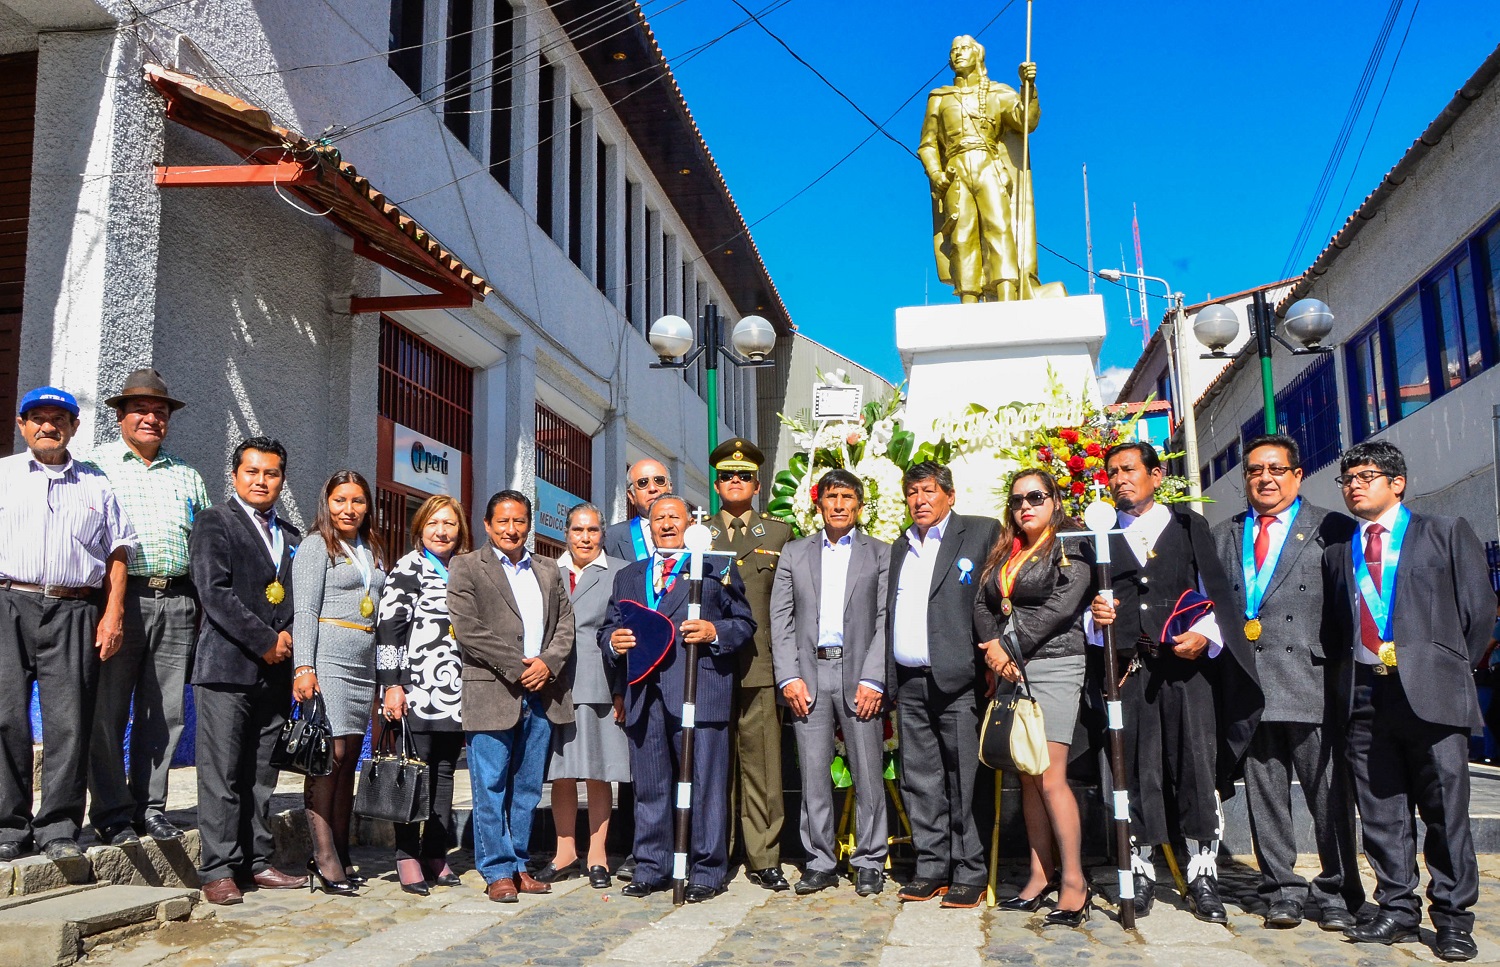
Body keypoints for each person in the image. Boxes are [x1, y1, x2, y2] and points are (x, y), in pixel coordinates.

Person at [1325, 441, 1491, 961]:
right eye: (1348, 478)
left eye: (1366, 475)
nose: (1355, 485)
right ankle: (1396, 908)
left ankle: (1452, 918)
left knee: (1445, 812)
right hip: (1365, 694)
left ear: (1397, 483)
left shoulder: (1444, 532)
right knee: (1381, 812)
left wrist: (1442, 664)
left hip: (1432, 694)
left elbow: (1479, 612)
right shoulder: (1339, 552)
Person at [1088, 442, 1261, 923]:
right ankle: (1140, 871)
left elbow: (1217, 595)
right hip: (1130, 673)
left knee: (1195, 767)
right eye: (1112, 473)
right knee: (1136, 769)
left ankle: (1203, 874)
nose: (1120, 479)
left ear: (1156, 475)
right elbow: (1088, 610)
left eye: (1129, 469)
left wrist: (1205, 637)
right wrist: (1094, 617)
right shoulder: (1097, 538)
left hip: (1189, 675)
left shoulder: (1188, 526)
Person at [1210, 435, 1363, 931]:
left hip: (1312, 678)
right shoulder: (1226, 534)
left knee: (1328, 794)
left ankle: (1339, 890)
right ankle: (1281, 888)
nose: (1265, 479)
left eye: (1276, 469)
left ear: (1297, 475)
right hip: (1251, 683)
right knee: (1265, 792)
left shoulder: (1332, 528)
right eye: (1255, 471)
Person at [0, 386, 135, 863]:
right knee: (6, 717)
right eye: (37, 417)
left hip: (75, 609)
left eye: (59, 418)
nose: (47, 426)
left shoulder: (96, 484)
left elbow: (118, 552)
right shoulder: (3, 476)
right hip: (9, 602)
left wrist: (113, 613)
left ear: (74, 427)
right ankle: (8, 825)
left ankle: (58, 825)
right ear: (22, 426)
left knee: (69, 722)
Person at [602, 494, 754, 902]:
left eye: (675, 517)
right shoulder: (629, 576)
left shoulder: (716, 567)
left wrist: (714, 631)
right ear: (648, 525)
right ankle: (652, 864)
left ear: (692, 524)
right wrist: (613, 642)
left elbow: (744, 623)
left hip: (698, 689)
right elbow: (610, 627)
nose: (667, 524)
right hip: (644, 693)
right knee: (650, 785)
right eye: (659, 518)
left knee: (704, 784)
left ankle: (706, 869)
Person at [87, 368, 210, 847]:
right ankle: (113, 811)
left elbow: (202, 545)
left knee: (165, 713)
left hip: (176, 600)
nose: (151, 419)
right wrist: (107, 608)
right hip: (119, 600)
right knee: (108, 710)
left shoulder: (187, 474)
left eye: (159, 412)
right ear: (120, 416)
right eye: (140, 410)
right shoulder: (95, 467)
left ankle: (151, 806)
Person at [189, 436, 306, 904]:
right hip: (227, 668)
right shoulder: (214, 522)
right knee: (221, 774)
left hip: (276, 673)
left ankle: (257, 861)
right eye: (252, 471)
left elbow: (301, 599)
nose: (262, 481)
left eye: (271, 473)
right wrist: (265, 641)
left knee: (261, 773)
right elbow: (214, 592)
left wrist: (291, 644)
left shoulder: (292, 536)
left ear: (282, 478)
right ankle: (217, 868)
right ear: (235, 475)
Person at [974, 469, 1092, 926]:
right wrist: (993, 652)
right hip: (1009, 667)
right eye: (1018, 499)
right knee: (1025, 774)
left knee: (1049, 775)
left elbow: (1062, 605)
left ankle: (1075, 883)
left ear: (1055, 500)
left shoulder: (1071, 542)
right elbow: (983, 605)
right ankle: (1040, 877)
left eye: (1036, 497)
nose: (1026, 505)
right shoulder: (1006, 548)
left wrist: (1010, 645)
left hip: (1055, 664)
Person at [448, 490, 575, 903]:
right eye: (502, 521)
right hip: (492, 692)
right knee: (490, 784)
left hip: (542, 692)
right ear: (487, 525)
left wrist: (547, 664)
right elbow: (468, 630)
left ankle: (520, 864)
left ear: (529, 524)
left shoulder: (548, 569)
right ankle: (497, 870)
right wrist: (522, 667)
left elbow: (566, 625)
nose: (511, 529)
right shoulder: (466, 566)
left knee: (526, 788)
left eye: (519, 521)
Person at [769, 468, 890, 897]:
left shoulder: (880, 553)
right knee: (814, 775)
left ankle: (870, 859)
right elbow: (779, 621)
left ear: (859, 505)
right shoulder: (794, 553)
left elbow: (884, 621)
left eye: (847, 498)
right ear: (818, 504)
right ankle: (819, 860)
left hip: (860, 674)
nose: (839, 505)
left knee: (867, 772)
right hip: (809, 674)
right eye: (831, 498)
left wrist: (875, 678)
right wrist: (788, 677)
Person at [886, 461, 1000, 908]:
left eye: (928, 491)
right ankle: (931, 866)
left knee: (964, 779)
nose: (920, 500)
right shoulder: (900, 546)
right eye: (912, 492)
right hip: (910, 682)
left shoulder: (979, 531)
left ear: (950, 495)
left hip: (959, 679)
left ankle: (969, 870)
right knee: (920, 778)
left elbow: (994, 597)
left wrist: (993, 656)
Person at [291, 471, 388, 895]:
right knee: (330, 754)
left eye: (358, 501)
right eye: (341, 500)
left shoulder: (371, 548)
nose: (349, 509)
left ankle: (342, 849)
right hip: (327, 656)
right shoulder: (316, 545)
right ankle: (323, 856)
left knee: (350, 758)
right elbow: (305, 610)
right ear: (326, 503)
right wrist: (303, 667)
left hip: (363, 661)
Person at [707, 439, 792, 892]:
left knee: (763, 766)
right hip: (709, 668)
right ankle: (714, 852)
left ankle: (764, 855)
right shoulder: (699, 534)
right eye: (726, 476)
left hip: (761, 665)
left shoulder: (778, 535)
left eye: (742, 476)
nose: (734, 482)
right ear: (716, 484)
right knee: (713, 765)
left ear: (757, 485)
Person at [376, 495, 471, 895]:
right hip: (416, 689)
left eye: (449, 524)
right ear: (419, 527)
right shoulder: (408, 567)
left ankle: (435, 851)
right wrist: (392, 685)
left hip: (456, 690)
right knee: (412, 770)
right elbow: (389, 631)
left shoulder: (465, 569)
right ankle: (406, 854)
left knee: (445, 772)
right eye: (433, 523)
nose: (442, 531)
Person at [535, 503, 628, 890]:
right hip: (554, 684)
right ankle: (564, 850)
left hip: (599, 682)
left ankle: (598, 853)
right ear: (566, 534)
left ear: (602, 534)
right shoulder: (546, 571)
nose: (585, 538)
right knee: (561, 772)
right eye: (577, 530)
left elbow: (624, 631)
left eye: (592, 530)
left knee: (597, 770)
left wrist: (623, 689)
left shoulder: (620, 573)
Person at [919, 35, 1043, 302]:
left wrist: (1028, 86)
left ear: (978, 55)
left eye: (964, 49)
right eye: (953, 50)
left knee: (999, 227)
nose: (957, 54)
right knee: (962, 234)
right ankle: (968, 296)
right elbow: (927, 144)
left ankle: (1007, 292)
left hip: (988, 164)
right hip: (955, 168)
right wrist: (936, 173)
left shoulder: (997, 92)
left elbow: (1026, 121)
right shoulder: (939, 98)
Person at [603, 458, 672, 563]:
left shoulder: (692, 532)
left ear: (670, 488)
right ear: (631, 496)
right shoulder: (611, 537)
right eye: (643, 483)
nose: (652, 488)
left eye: (659, 480)